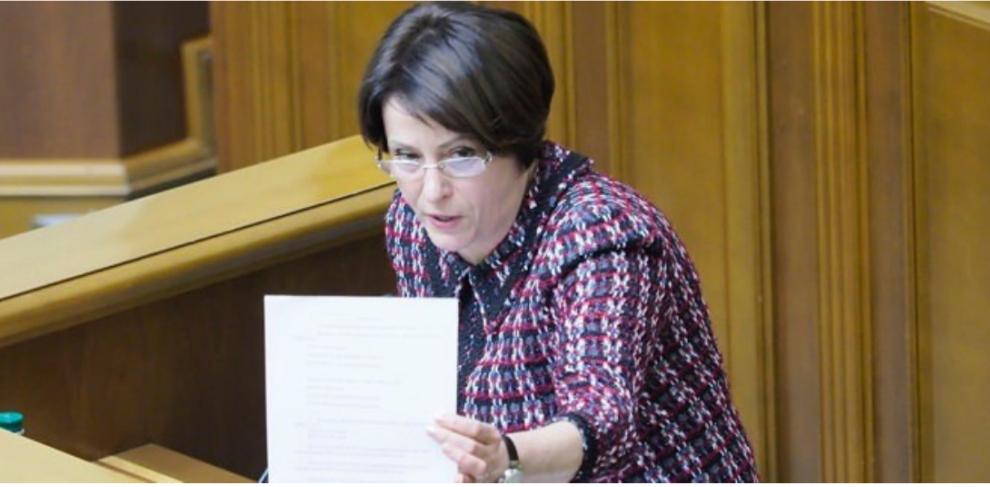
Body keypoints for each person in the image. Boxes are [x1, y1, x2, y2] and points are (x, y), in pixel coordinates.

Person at [358, 2, 758, 483]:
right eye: (406, 156)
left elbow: (603, 418)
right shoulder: (412, 223)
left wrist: (506, 456)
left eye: (461, 155)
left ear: (520, 144)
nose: (431, 190)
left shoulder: (602, 234)